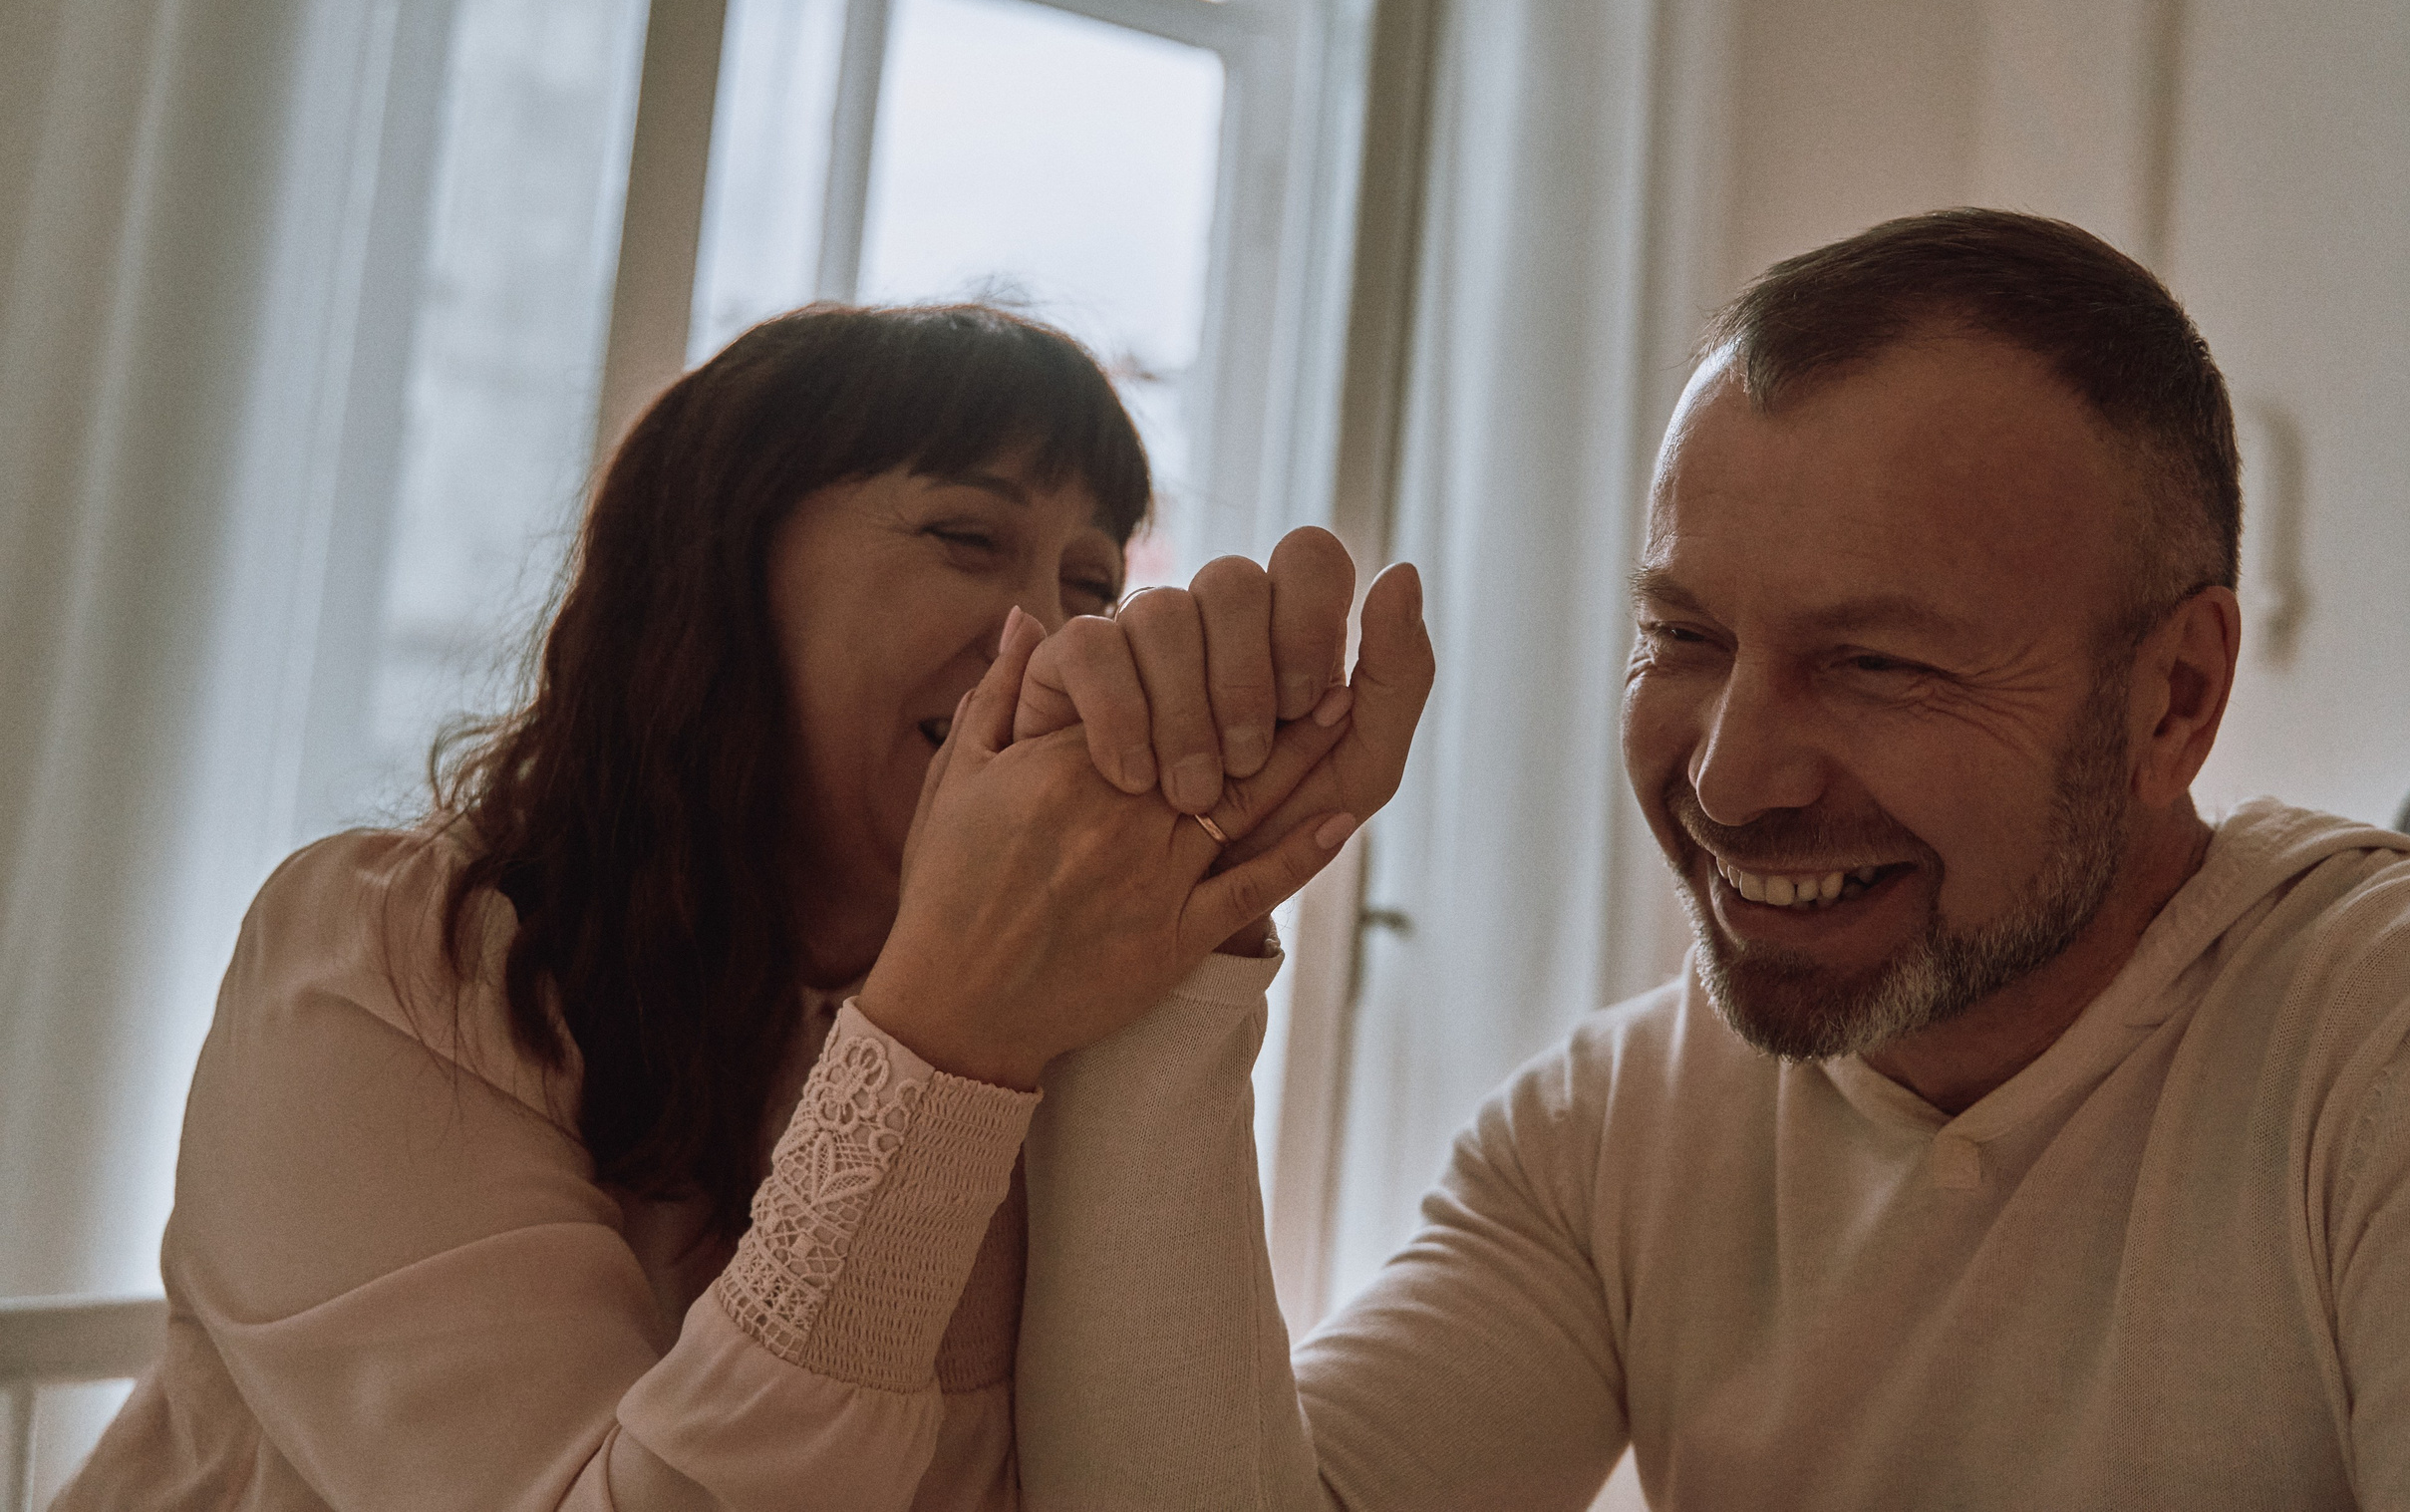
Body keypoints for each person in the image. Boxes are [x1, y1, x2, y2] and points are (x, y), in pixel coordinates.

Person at [1007, 210, 2410, 1509]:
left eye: (1879, 663)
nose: (1732, 779)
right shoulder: (1612, 1131)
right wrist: (1175, 934)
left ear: (2177, 699)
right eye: (1681, 635)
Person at [60, 302, 1433, 1510]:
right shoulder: (382, 962)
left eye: (1093, 581)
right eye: (967, 536)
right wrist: (945, 1040)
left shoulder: (1057, 1030)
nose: (1060, 638)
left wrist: (1181, 949)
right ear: (720, 580)